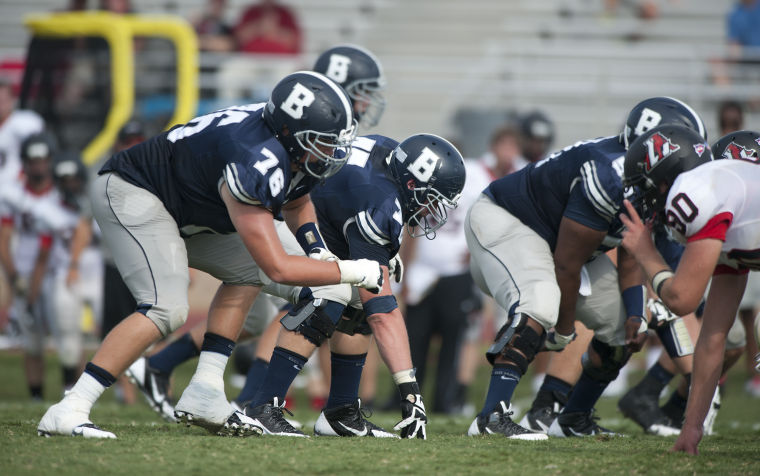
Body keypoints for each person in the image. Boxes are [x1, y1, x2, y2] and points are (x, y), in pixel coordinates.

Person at [36, 71, 383, 439]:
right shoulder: (256, 159)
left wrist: (318, 250)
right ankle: (71, 406)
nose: (332, 152)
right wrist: (350, 270)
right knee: (165, 308)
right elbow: (278, 268)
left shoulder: (288, 144)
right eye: (322, 142)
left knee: (247, 269)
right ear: (289, 133)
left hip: (185, 210)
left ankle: (205, 390)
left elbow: (298, 199)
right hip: (134, 192)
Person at [124, 44, 389, 422]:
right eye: (363, 90)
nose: (368, 101)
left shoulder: (325, 131)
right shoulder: (301, 130)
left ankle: (162, 365)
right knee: (297, 300)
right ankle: (254, 400)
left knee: (256, 315)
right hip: (254, 210)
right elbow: (293, 197)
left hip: (290, 217)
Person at [464, 96, 706, 440]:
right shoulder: (608, 176)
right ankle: (491, 417)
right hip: (509, 221)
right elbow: (566, 264)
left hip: (557, 244)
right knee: (541, 301)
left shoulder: (646, 180)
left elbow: (628, 250)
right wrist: (563, 328)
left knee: (623, 328)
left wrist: (637, 312)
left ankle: (573, 418)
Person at [243, 133, 465, 439]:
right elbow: (383, 312)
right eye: (431, 200)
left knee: (357, 300)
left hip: (304, 219)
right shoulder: (381, 205)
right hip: (272, 218)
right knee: (331, 291)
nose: (430, 211)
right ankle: (263, 408)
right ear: (413, 185)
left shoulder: (391, 152)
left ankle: (340, 412)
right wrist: (410, 392)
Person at [619, 126, 760, 455]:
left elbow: (682, 299)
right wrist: (691, 428)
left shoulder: (697, 190)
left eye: (646, 186)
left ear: (666, 177)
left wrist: (646, 254)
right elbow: (713, 337)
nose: (645, 198)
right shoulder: (733, 203)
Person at [0, 133, 64, 399]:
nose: (38, 166)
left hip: (58, 272)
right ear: (25, 162)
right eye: (33, 160)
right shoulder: (13, 194)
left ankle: (72, 394)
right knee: (33, 343)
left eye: (42, 160)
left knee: (68, 338)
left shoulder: (63, 191)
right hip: (25, 273)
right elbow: (4, 237)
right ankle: (36, 397)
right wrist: (14, 275)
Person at [0, 77, 44, 188]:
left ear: (12, 100)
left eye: (3, 100)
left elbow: (40, 153)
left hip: (18, 190)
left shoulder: (25, 123)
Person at [233, 0, 301, 55]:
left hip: (281, 61)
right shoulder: (250, 12)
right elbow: (238, 39)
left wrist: (275, 31)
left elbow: (293, 40)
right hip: (250, 60)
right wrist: (258, 27)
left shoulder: (286, 14)